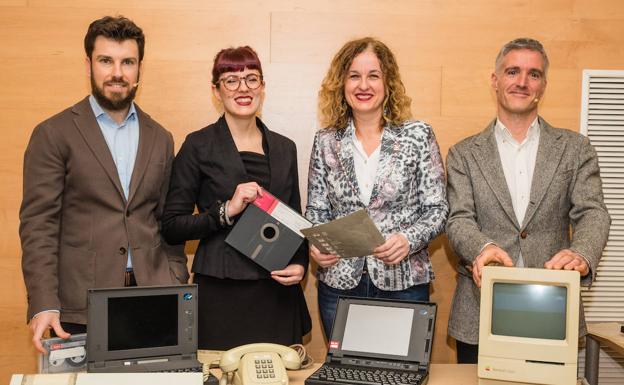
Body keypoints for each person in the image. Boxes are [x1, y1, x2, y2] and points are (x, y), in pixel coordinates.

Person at [19, 16, 189, 353]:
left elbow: (165, 220)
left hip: (151, 299)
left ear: (140, 68)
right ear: (88, 65)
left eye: (128, 62)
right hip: (78, 306)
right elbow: (39, 225)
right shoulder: (53, 134)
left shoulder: (161, 137)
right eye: (106, 61)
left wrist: (174, 280)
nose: (117, 73)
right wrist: (43, 302)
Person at [446, 38, 611, 363]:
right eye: (512, 71)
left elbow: (594, 213)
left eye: (533, 74)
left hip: (552, 311)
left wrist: (581, 253)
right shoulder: (463, 154)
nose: (522, 82)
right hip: (479, 314)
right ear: (495, 80)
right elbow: (458, 219)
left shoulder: (576, 149)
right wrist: (482, 248)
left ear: (543, 85)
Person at [162, 46, 311, 350]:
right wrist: (226, 210)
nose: (243, 88)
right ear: (216, 91)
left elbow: (295, 218)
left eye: (252, 79)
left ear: (263, 87)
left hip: (276, 292)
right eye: (231, 80)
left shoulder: (285, 148)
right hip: (221, 291)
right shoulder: (198, 145)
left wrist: (300, 263)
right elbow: (172, 226)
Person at [306, 37, 449, 336]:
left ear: (388, 83)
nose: (363, 85)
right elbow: (317, 209)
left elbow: (437, 209)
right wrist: (317, 245)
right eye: (354, 76)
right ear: (341, 84)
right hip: (339, 282)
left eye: (374, 76)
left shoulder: (418, 135)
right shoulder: (326, 140)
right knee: (345, 376)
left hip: (404, 282)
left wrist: (409, 239)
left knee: (400, 378)